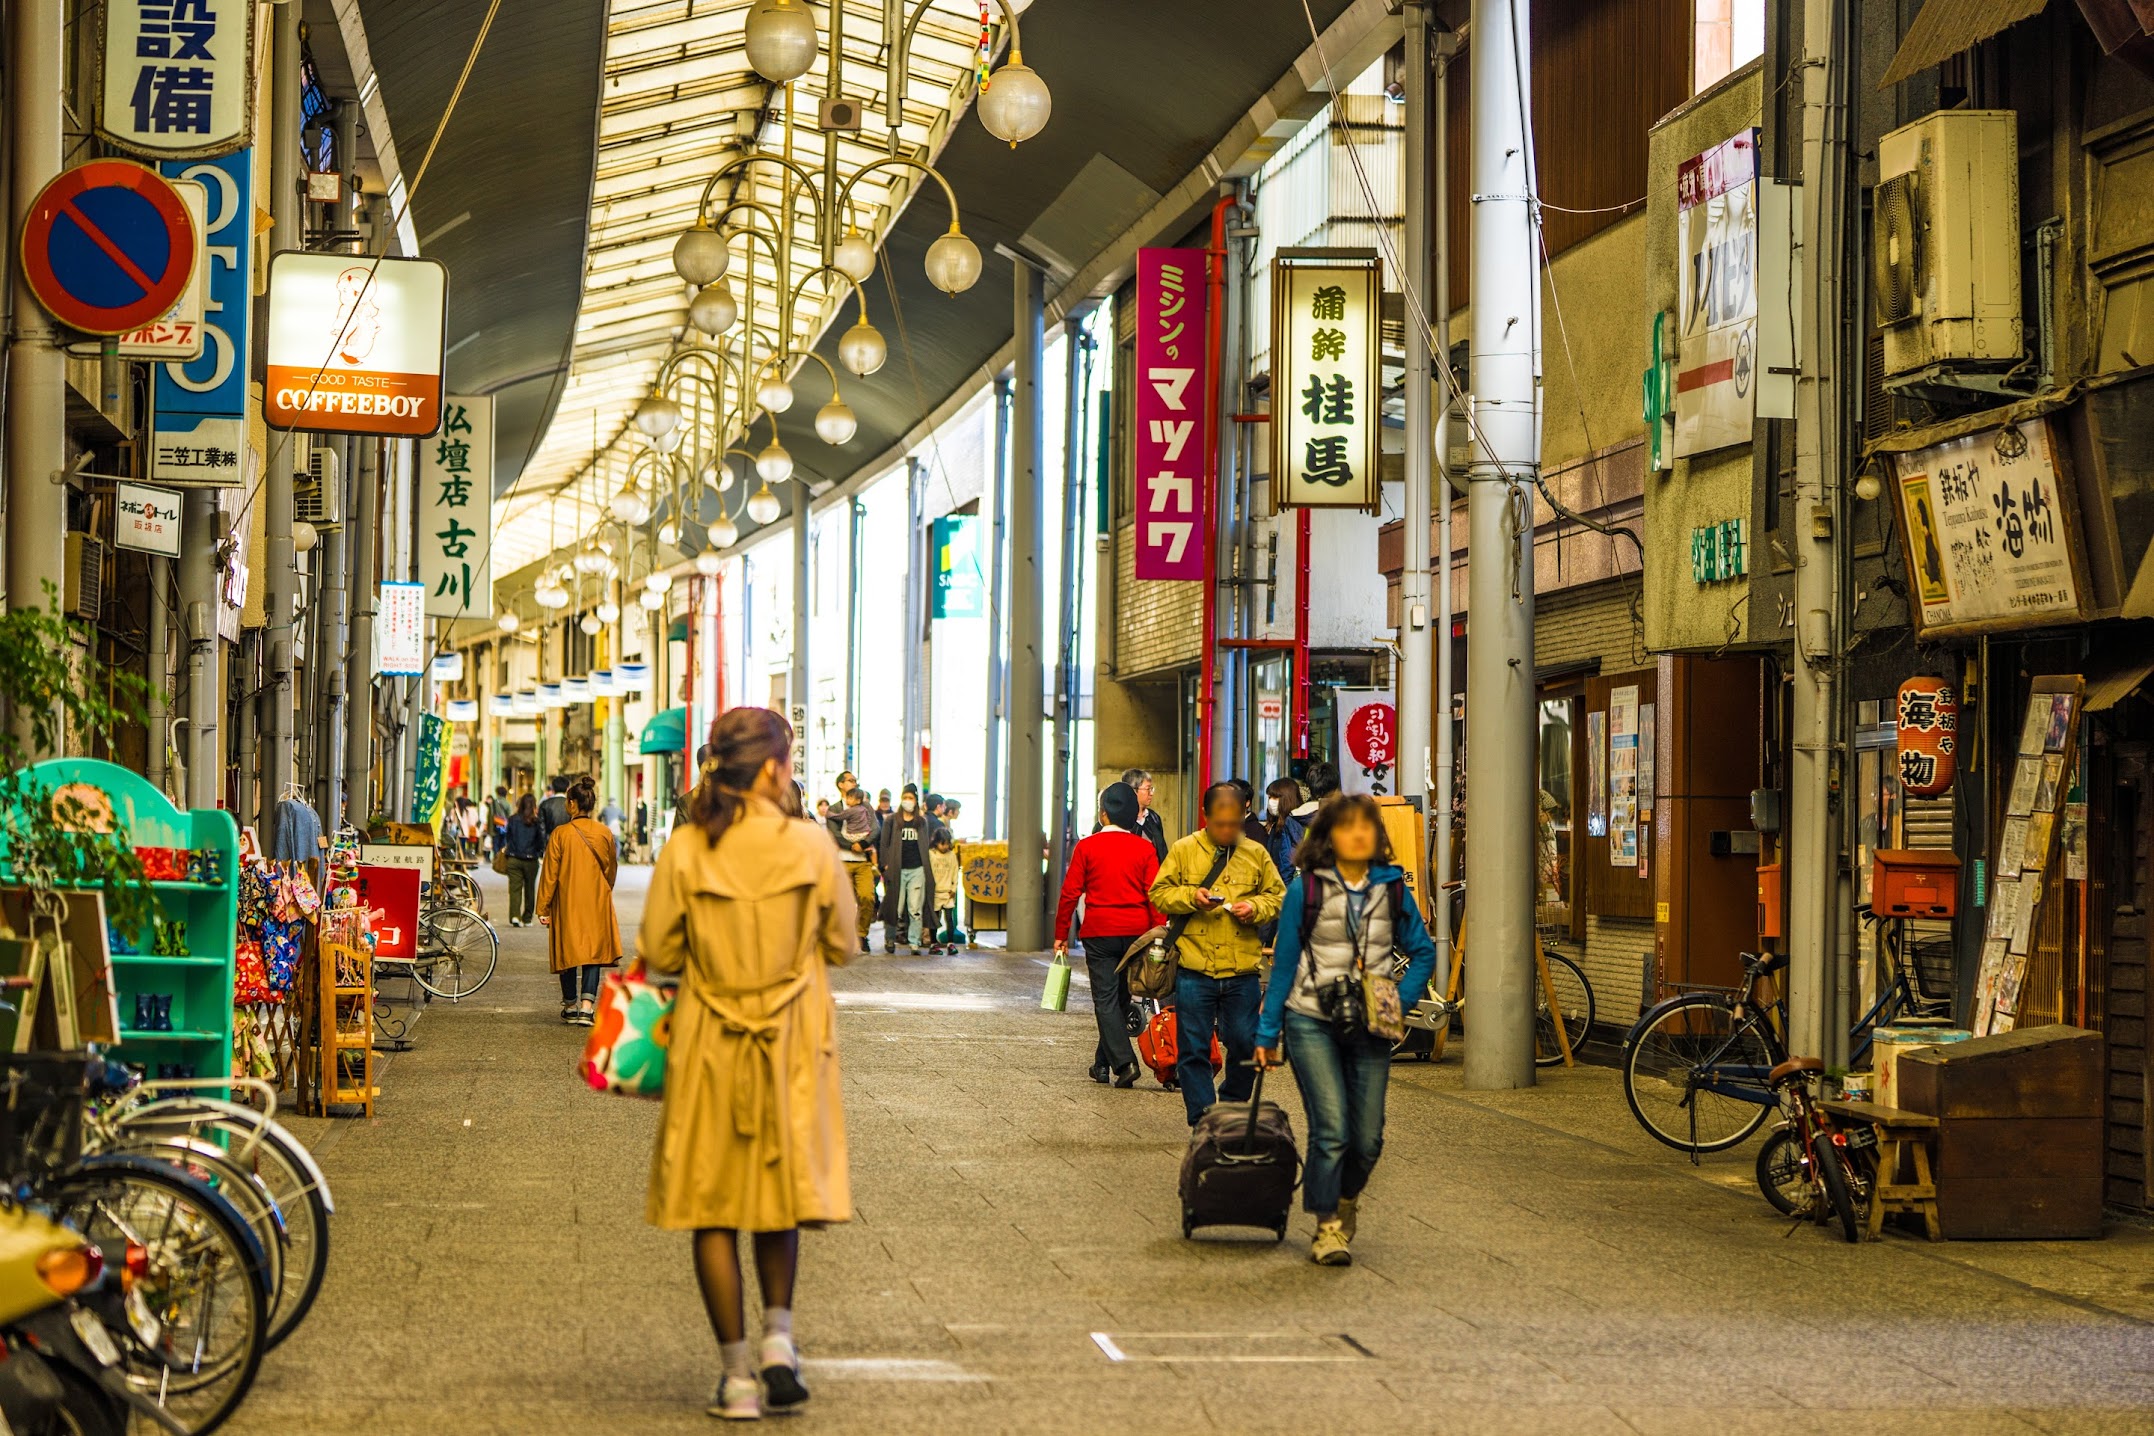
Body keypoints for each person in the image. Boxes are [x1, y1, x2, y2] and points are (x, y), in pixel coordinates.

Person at [640, 707, 853, 1422]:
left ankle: (735, 1380)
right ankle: (778, 1344)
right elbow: (845, 943)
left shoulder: (687, 849)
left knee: (712, 1205)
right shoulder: (811, 844)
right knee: (777, 1194)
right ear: (770, 768)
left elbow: (661, 953)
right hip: (791, 1042)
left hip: (709, 1040)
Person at [1254, 794, 1438, 1267]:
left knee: (1369, 1136)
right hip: (1310, 1016)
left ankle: (1345, 1198)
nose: (1357, 834)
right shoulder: (1306, 889)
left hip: (1373, 1019)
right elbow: (1285, 963)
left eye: (1365, 826)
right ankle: (1327, 1227)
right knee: (1332, 1127)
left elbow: (1422, 951)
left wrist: (1402, 1000)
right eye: (1346, 826)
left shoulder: (1393, 888)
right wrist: (1267, 1033)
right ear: (1328, 835)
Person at [1148, 782, 1285, 1124]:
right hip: (1194, 967)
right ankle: (1204, 1119)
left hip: (1242, 970)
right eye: (1220, 823)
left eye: (1234, 823)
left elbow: (1279, 896)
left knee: (1245, 1043)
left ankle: (1230, 1102)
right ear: (1206, 816)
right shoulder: (1183, 850)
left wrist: (1254, 907)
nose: (1227, 830)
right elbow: (1159, 892)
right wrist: (1190, 897)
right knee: (1193, 1050)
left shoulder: (1256, 853)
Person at [1054, 781, 1161, 1088]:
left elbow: (1070, 893)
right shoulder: (1145, 848)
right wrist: (1159, 932)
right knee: (1121, 998)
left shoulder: (1087, 847)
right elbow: (1154, 894)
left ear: (1103, 816)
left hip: (1099, 933)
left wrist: (1062, 933)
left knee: (1105, 999)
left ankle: (1125, 1064)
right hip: (1137, 934)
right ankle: (1101, 1064)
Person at [535, 777, 621, 1026]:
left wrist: (543, 907)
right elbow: (611, 870)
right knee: (593, 952)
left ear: (572, 804)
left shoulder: (560, 835)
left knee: (568, 949)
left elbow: (549, 875)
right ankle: (587, 1007)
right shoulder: (604, 833)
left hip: (566, 900)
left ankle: (570, 1005)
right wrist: (604, 890)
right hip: (596, 899)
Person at [876, 788, 935, 954]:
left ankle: (914, 942)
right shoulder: (892, 820)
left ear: (915, 801)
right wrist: (885, 864)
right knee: (895, 906)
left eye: (910, 798)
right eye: (905, 797)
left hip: (917, 868)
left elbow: (925, 844)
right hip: (897, 869)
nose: (907, 801)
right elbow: (884, 843)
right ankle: (890, 938)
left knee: (915, 908)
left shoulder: (922, 822)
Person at [831, 786, 880, 952]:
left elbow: (875, 829)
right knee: (844, 901)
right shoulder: (835, 809)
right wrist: (853, 846)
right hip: (842, 861)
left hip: (863, 862)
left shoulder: (866, 807)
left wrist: (863, 844)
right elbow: (834, 832)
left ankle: (861, 934)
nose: (853, 782)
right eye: (849, 780)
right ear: (841, 785)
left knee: (867, 897)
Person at [502, 793, 546, 926]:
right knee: (530, 889)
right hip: (531, 860)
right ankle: (527, 918)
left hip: (514, 859)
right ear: (533, 805)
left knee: (515, 889)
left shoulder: (512, 819)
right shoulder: (536, 821)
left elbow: (508, 837)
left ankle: (515, 916)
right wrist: (538, 852)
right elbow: (541, 840)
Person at [926, 830, 963, 956]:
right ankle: (933, 944)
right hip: (935, 892)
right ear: (936, 843)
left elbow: (954, 872)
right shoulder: (930, 854)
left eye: (947, 844)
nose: (945, 847)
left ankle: (950, 943)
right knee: (934, 919)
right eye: (943, 844)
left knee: (949, 918)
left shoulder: (951, 855)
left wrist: (954, 888)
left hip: (947, 892)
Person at [1121, 768, 1168, 860]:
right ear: (1134, 791)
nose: (1151, 793)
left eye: (1152, 789)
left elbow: (1162, 851)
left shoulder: (1154, 818)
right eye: (1148, 789)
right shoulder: (1122, 819)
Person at [539, 775, 572, 846]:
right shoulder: (572, 804)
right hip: (567, 843)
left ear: (553, 789)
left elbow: (541, 828)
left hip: (550, 842)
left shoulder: (545, 804)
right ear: (567, 789)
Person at [488, 784, 512, 855]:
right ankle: (501, 861)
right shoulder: (507, 803)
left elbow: (490, 816)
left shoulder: (494, 802)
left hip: (495, 827)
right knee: (503, 846)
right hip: (505, 827)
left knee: (496, 846)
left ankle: (496, 860)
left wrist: (490, 830)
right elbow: (509, 816)